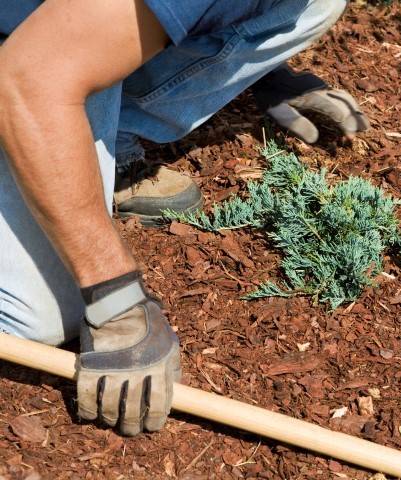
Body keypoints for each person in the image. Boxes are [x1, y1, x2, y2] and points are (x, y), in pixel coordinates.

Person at [0, 0, 368, 436]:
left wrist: (264, 70)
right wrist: (115, 301)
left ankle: (96, 124)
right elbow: (26, 80)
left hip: (57, 30)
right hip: (23, 62)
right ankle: (57, 127)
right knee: (39, 317)